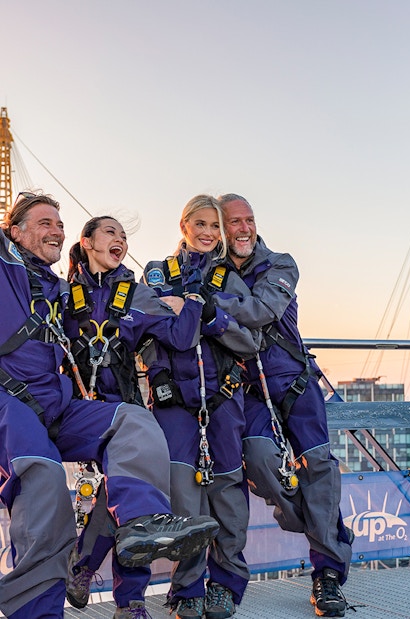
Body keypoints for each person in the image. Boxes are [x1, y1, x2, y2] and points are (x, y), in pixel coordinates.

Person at [0, 191, 219, 619]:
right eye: (45, 223)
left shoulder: (59, 290)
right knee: (44, 485)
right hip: (9, 402)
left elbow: (177, 336)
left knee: (136, 426)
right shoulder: (8, 269)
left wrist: (192, 304)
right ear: (14, 231)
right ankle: (39, 611)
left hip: (61, 402)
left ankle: (141, 526)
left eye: (59, 225)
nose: (56, 231)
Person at [63, 215, 217, 618]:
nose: (120, 240)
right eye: (111, 232)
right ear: (87, 241)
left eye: (124, 236)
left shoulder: (137, 295)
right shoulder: (62, 294)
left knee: (127, 495)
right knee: (128, 496)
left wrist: (193, 302)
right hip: (75, 409)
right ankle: (85, 567)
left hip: (123, 410)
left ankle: (124, 598)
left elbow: (182, 337)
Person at [215, 193, 353, 618]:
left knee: (319, 470)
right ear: (219, 229)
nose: (244, 229)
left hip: (294, 382)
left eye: (248, 220)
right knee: (258, 459)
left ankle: (327, 574)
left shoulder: (281, 264)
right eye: (233, 222)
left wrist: (206, 305)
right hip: (250, 389)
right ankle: (316, 524)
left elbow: (262, 311)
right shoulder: (209, 269)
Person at [142, 194, 260, 619]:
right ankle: (187, 585)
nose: (210, 233)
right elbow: (147, 335)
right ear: (184, 225)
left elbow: (252, 341)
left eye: (216, 226)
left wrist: (212, 318)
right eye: (202, 224)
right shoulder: (158, 274)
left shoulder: (229, 279)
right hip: (174, 400)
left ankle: (225, 584)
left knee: (227, 493)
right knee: (183, 497)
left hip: (223, 397)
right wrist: (158, 379)